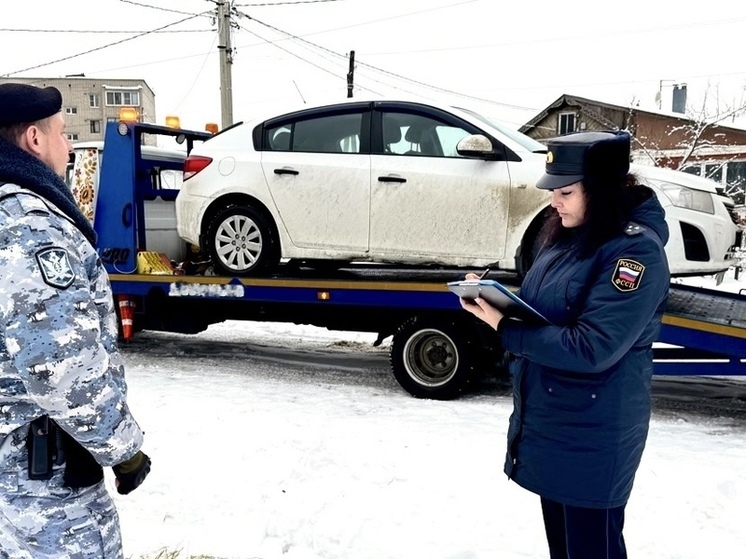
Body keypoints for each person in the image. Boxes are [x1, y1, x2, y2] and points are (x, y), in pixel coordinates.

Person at [460, 130, 670, 559]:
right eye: (553, 190)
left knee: (593, 549)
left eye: (566, 191)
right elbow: (546, 307)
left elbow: (592, 347)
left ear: (603, 190)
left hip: (595, 432)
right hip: (556, 422)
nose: (554, 201)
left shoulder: (634, 254)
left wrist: (505, 327)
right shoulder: (568, 237)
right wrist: (494, 297)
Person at [0, 83, 151, 558]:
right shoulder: (28, 224)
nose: (69, 149)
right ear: (34, 139)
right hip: (39, 479)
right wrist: (124, 451)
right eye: (63, 135)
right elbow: (61, 367)